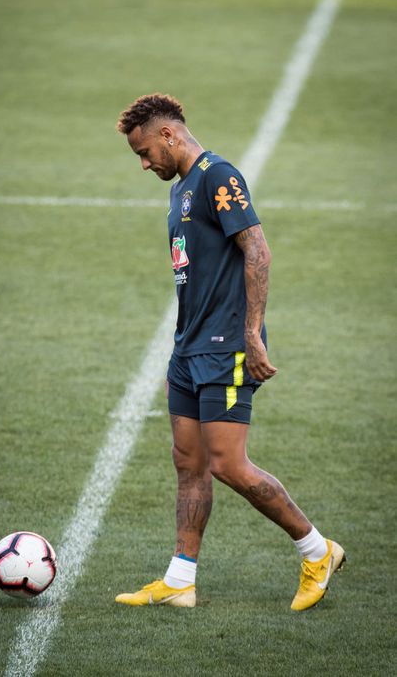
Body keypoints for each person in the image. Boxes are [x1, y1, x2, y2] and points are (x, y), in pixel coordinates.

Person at [114, 93, 345, 611]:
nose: (145, 163)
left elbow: (257, 248)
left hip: (225, 347)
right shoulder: (180, 192)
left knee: (228, 464)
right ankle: (180, 579)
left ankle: (317, 550)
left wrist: (254, 332)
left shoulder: (220, 177)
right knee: (188, 463)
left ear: (169, 135)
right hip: (188, 350)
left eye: (145, 151)